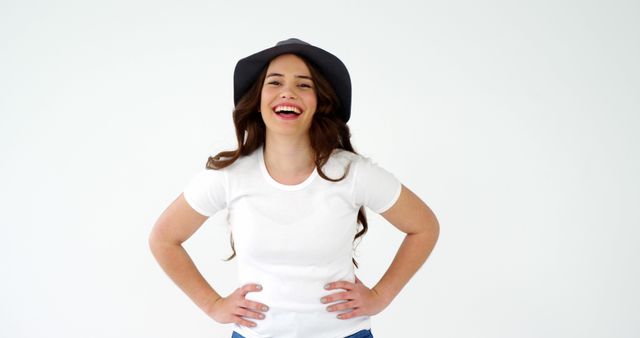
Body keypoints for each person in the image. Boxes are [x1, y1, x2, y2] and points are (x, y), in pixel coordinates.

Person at [149, 38, 440, 338]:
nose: (287, 92)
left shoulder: (352, 173)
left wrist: (381, 296)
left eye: (303, 85)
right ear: (258, 99)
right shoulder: (230, 177)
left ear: (320, 102)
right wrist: (213, 305)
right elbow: (164, 239)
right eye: (275, 83)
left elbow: (423, 227)